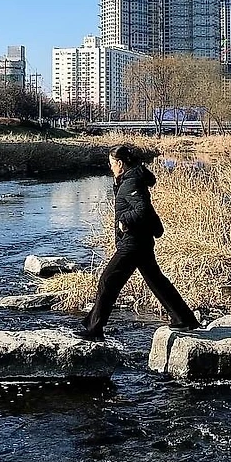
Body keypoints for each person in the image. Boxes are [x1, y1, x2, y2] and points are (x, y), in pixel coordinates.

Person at [77, 145, 200, 341]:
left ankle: (95, 329)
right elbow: (133, 203)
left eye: (111, 164)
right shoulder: (130, 178)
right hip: (141, 241)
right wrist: (117, 184)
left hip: (133, 243)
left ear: (120, 163)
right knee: (156, 281)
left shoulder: (132, 181)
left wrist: (124, 221)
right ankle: (185, 319)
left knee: (108, 281)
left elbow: (142, 209)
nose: (110, 167)